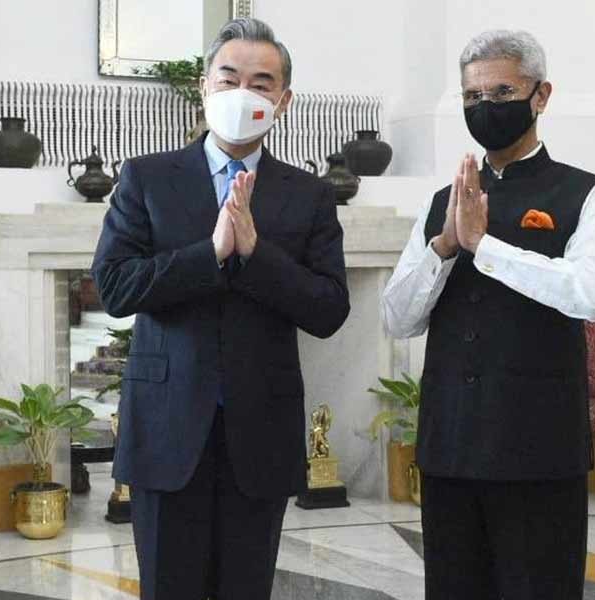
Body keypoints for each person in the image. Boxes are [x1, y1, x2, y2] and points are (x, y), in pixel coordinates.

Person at [92, 18, 350, 600]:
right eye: (230, 77)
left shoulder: (309, 194)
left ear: (283, 102)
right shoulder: (147, 178)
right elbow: (114, 287)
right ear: (205, 87)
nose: (243, 92)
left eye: (262, 83)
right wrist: (207, 255)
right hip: (165, 430)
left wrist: (257, 254)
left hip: (261, 430)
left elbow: (330, 309)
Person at [381, 29, 595, 600]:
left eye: (500, 92)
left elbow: (589, 294)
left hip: (539, 448)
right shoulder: (444, 201)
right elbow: (398, 318)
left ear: (541, 96)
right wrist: (443, 248)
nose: (485, 108)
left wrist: (487, 247)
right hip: (451, 447)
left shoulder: (587, 193)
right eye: (472, 98)